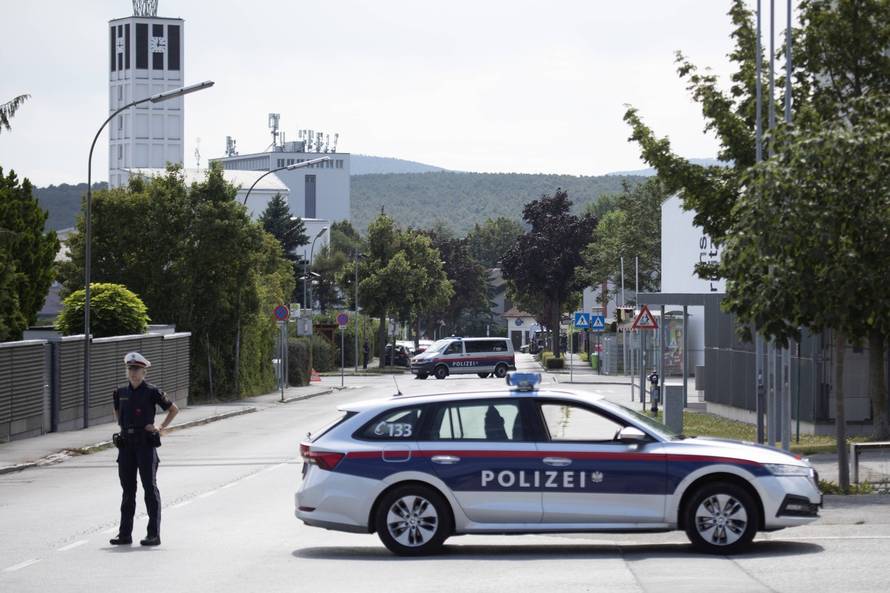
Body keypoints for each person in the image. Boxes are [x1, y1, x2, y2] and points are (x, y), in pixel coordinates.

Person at [110, 351, 179, 547]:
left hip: (145, 445)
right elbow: (117, 414)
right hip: (126, 446)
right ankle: (124, 534)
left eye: (137, 370)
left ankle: (153, 534)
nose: (133, 373)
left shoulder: (152, 391)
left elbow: (173, 409)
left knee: (149, 488)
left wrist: (160, 427)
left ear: (144, 372)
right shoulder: (120, 393)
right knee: (128, 490)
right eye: (130, 369)